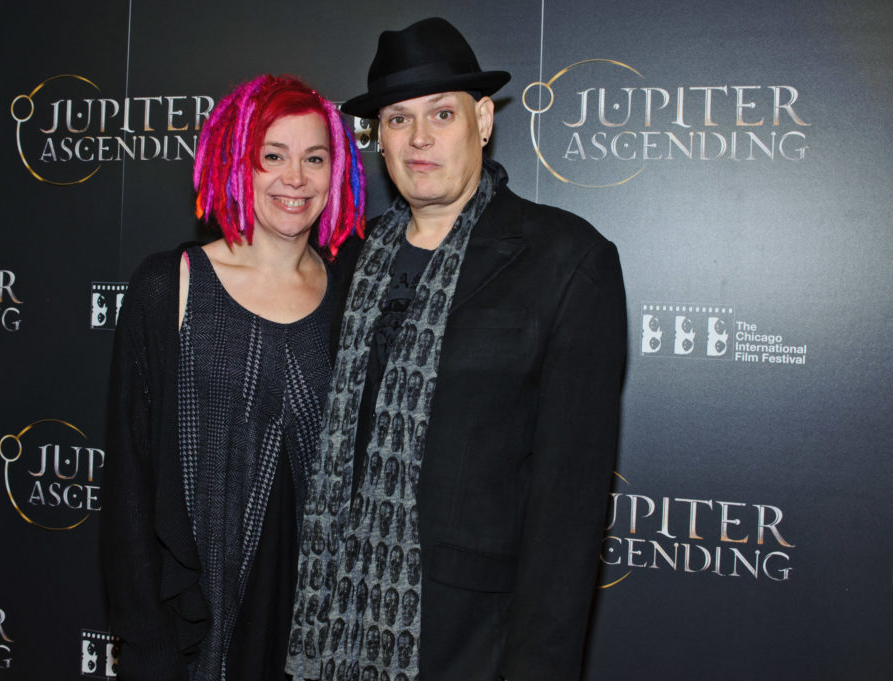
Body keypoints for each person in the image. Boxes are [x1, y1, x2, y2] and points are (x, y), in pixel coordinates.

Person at [286, 18, 626, 681]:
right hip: (336, 626)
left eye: (441, 113)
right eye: (397, 118)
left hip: (480, 643)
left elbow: (567, 514)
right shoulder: (353, 261)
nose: (419, 138)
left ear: (482, 120)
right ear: (377, 138)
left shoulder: (566, 262)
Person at [102, 74, 366, 681]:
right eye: (271, 156)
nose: (294, 178)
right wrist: (146, 644)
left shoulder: (352, 293)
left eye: (314, 158)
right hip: (196, 625)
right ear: (235, 162)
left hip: (316, 628)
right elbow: (130, 483)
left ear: (339, 172)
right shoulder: (169, 285)